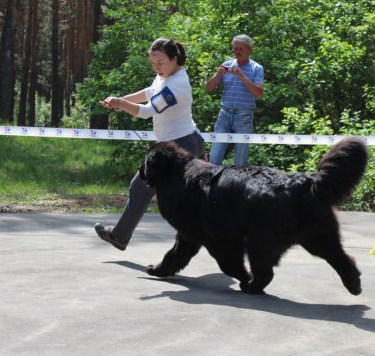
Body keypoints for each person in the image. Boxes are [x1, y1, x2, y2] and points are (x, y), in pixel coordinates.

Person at [94, 37, 205, 251]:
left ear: (175, 59)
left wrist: (119, 103)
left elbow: (146, 112)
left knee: (142, 187)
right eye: (153, 63)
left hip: (180, 147)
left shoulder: (176, 86)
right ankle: (120, 235)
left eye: (160, 63)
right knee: (192, 197)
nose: (156, 67)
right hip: (186, 142)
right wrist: (120, 99)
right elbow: (148, 92)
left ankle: (120, 236)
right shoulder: (167, 76)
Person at [205, 34, 264, 166]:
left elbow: (259, 93)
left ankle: (237, 186)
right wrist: (217, 75)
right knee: (214, 158)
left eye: (241, 49)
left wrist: (242, 77)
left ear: (249, 49)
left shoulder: (257, 68)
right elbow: (208, 88)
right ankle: (212, 185)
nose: (237, 52)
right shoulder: (226, 65)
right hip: (224, 114)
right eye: (235, 49)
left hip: (244, 116)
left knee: (240, 162)